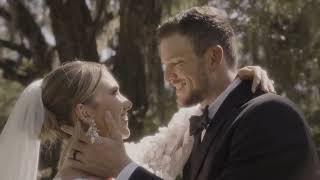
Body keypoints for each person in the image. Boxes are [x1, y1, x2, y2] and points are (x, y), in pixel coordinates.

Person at [68, 6, 319, 180]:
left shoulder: (269, 115)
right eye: (165, 67)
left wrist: (123, 169)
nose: (168, 77)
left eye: (177, 63)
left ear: (213, 57)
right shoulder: (196, 132)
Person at [0, 60, 272, 180]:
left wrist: (229, 85)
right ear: (84, 113)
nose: (127, 102)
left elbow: (178, 136)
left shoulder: (129, 157)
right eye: (115, 92)